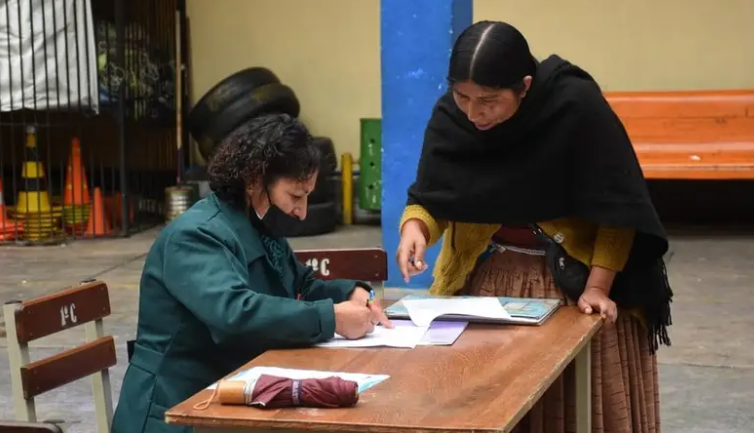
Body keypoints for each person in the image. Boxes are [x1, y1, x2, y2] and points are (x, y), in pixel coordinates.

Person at [396, 21, 673, 433]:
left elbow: (618, 210)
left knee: (572, 405)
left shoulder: (575, 108)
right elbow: (435, 196)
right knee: (485, 407)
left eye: (489, 101)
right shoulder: (452, 117)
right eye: (462, 96)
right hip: (485, 284)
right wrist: (416, 228)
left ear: (524, 86)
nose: (473, 113)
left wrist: (598, 288)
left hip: (574, 284)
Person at [112, 113, 391, 433]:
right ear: (255, 178)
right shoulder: (195, 235)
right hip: (176, 410)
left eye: (307, 198)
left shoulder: (257, 226)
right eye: (295, 196)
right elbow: (234, 314)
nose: (301, 212)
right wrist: (332, 318)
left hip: (232, 394)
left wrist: (351, 292)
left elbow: (300, 285)